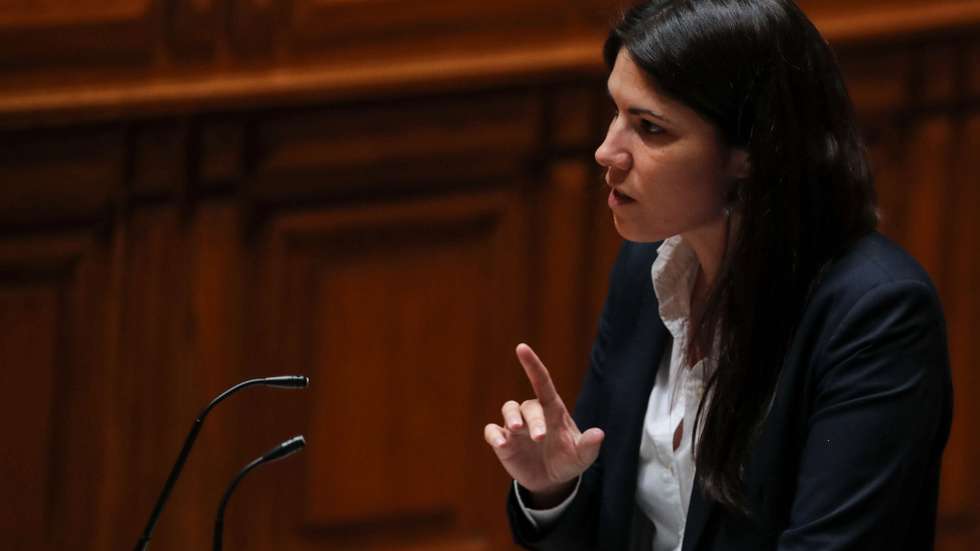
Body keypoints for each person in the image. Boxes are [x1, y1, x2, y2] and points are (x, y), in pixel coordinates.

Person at [482, 0, 953, 550]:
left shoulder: (877, 316)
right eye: (616, 113)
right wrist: (554, 489)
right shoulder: (647, 269)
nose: (607, 150)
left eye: (649, 128)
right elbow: (604, 529)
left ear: (750, 152)